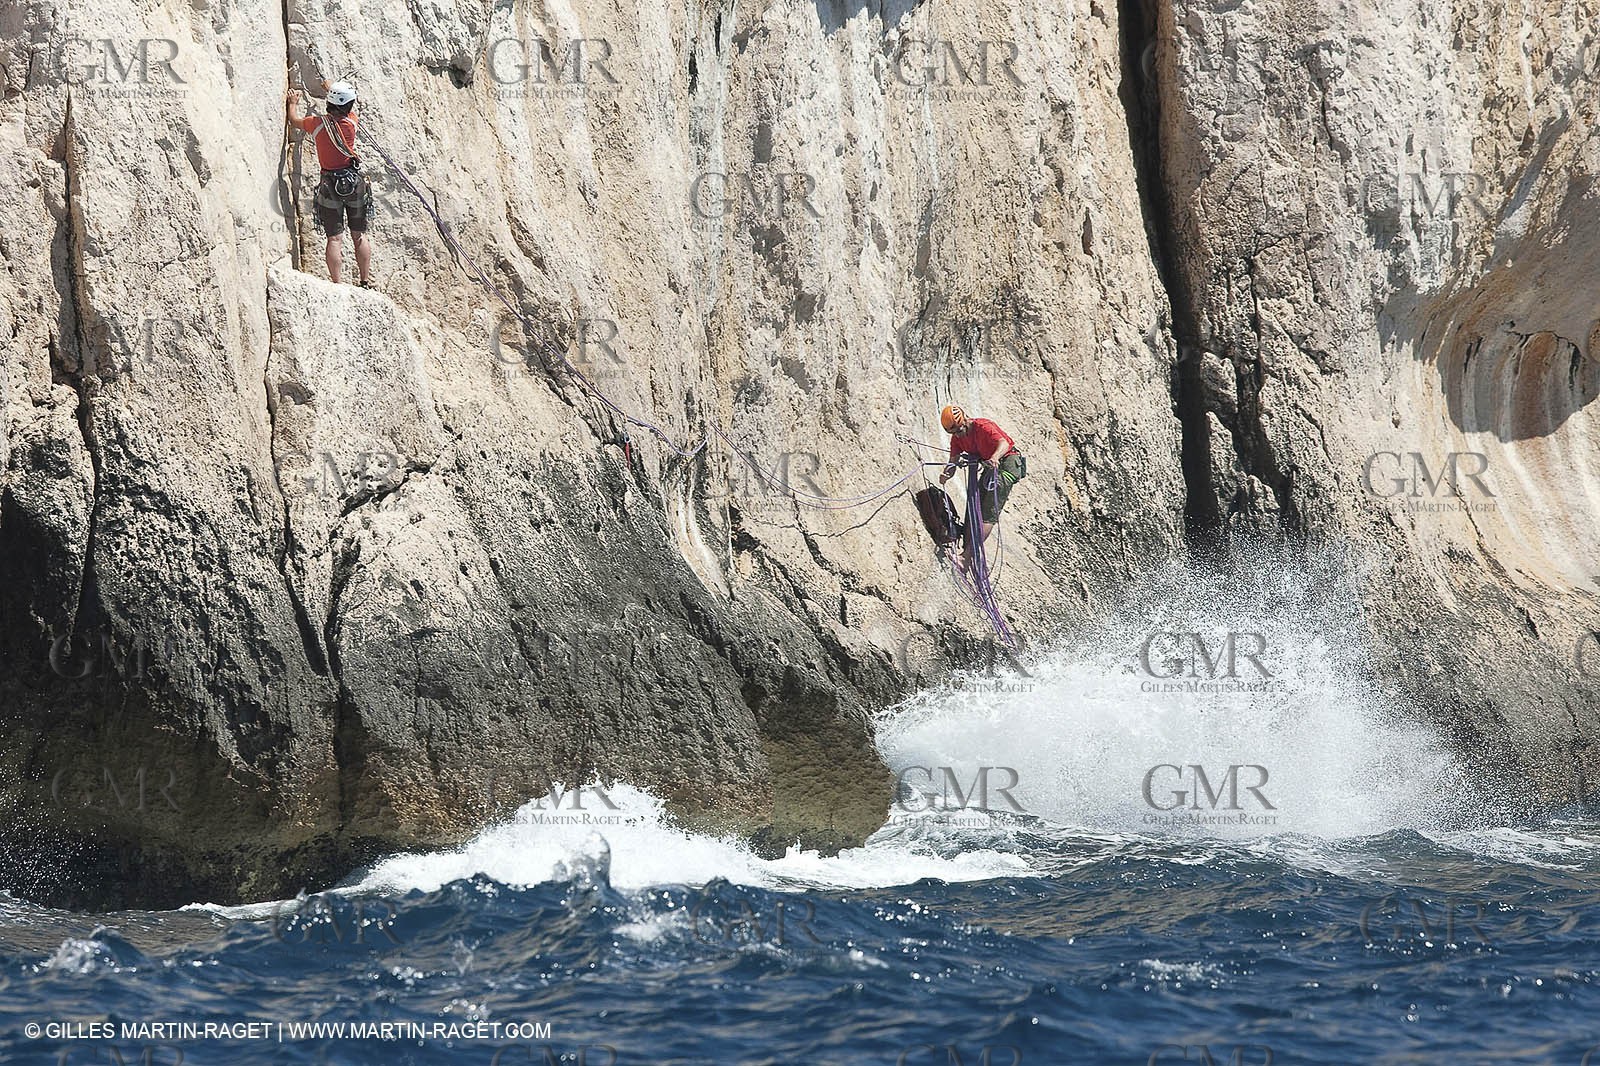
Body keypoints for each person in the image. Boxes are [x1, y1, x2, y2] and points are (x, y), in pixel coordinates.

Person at [284, 81, 373, 287]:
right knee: (359, 236)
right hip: (354, 183)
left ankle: (337, 284)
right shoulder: (352, 122)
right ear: (349, 105)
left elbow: (294, 120)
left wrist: (293, 103)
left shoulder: (315, 123)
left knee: (334, 239)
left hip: (329, 185)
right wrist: (330, 88)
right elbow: (345, 109)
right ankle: (365, 281)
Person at [938, 404, 1026, 546]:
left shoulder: (983, 426)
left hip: (1007, 463)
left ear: (965, 421)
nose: (958, 435)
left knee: (987, 513)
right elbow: (952, 462)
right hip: (991, 467)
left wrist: (995, 456)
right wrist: (946, 475)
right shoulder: (957, 439)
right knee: (974, 506)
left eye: (959, 430)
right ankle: (966, 549)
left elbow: (1003, 443)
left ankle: (968, 555)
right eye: (953, 433)